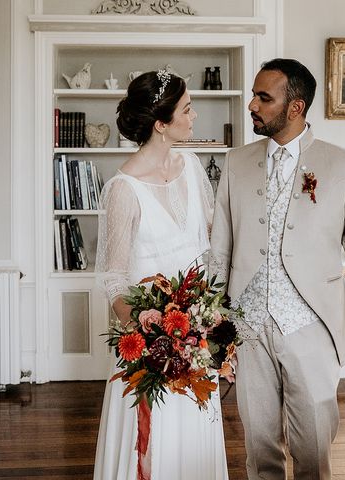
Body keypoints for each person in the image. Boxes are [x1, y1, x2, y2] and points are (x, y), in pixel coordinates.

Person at [210, 58, 345, 479]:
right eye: (254, 94)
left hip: (312, 326)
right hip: (248, 329)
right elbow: (220, 251)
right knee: (259, 451)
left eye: (263, 97)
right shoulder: (235, 164)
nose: (252, 104)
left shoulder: (342, 164)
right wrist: (213, 326)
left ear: (295, 107)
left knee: (312, 452)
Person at [93, 71, 228, 480]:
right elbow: (114, 277)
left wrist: (209, 316)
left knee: (193, 438)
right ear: (161, 124)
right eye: (187, 108)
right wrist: (147, 331)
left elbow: (209, 245)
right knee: (156, 441)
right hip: (150, 347)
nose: (195, 115)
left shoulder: (190, 166)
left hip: (196, 337)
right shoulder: (123, 189)